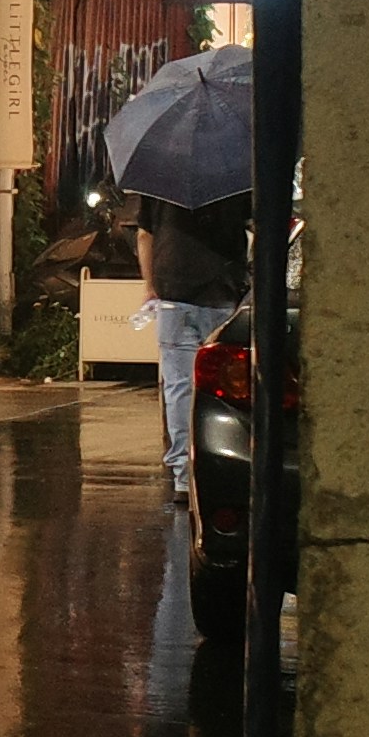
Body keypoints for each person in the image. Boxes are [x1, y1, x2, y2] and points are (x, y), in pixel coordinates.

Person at [124, 184, 252, 503]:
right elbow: (255, 229)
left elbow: (144, 236)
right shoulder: (233, 176)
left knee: (179, 387)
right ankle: (221, 465)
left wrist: (150, 287)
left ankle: (184, 475)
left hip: (173, 293)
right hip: (222, 295)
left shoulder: (161, 176)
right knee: (221, 389)